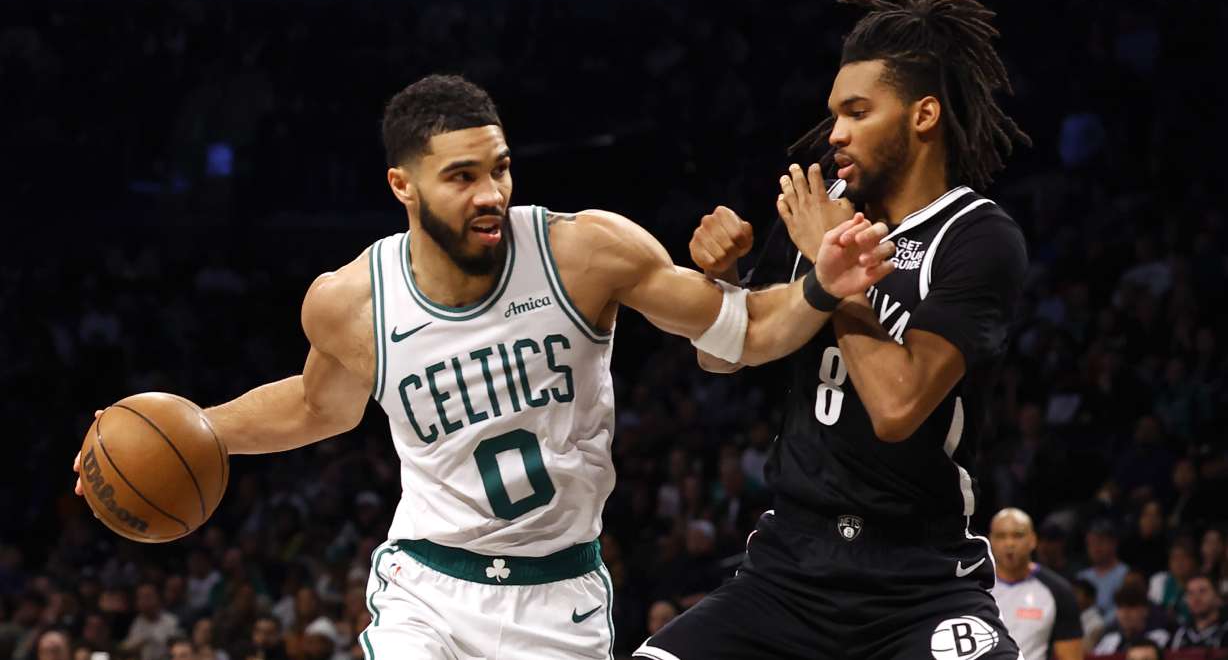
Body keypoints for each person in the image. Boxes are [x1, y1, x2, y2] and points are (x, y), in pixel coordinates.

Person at [73, 74, 895, 659]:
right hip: (426, 585)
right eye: (461, 176)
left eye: (498, 167)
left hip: (558, 595)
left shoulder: (586, 251)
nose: (489, 192)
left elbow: (741, 336)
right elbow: (319, 405)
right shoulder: (350, 301)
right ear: (403, 184)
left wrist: (821, 282)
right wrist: (196, 430)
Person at [636, 0, 1031, 658]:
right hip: (789, 568)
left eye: (857, 112)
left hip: (918, 577)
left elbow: (898, 405)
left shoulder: (977, 236)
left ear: (923, 116)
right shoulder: (825, 213)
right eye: (836, 113)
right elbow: (723, 354)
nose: (835, 133)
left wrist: (833, 268)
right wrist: (721, 280)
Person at [989, 509, 1083, 660]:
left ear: (1033, 540)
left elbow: (1071, 655)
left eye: (1018, 535)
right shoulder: (974, 588)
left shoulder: (1059, 591)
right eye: (1001, 536)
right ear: (991, 541)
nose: (1009, 543)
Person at [1092, 582, 1171, 653]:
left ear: (1145, 610)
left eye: (1131, 607)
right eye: (1120, 607)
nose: (1125, 613)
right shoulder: (1109, 640)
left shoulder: (1159, 637)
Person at [1078, 519, 1129, 619]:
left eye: (1100, 541)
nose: (1095, 547)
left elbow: (1123, 609)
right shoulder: (1082, 577)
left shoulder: (1126, 574)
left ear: (1114, 543)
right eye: (1091, 542)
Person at [1170, 573, 1228, 649]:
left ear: (1217, 595)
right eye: (1190, 593)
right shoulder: (1180, 634)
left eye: (1202, 591)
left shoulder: (1225, 630)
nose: (1196, 598)